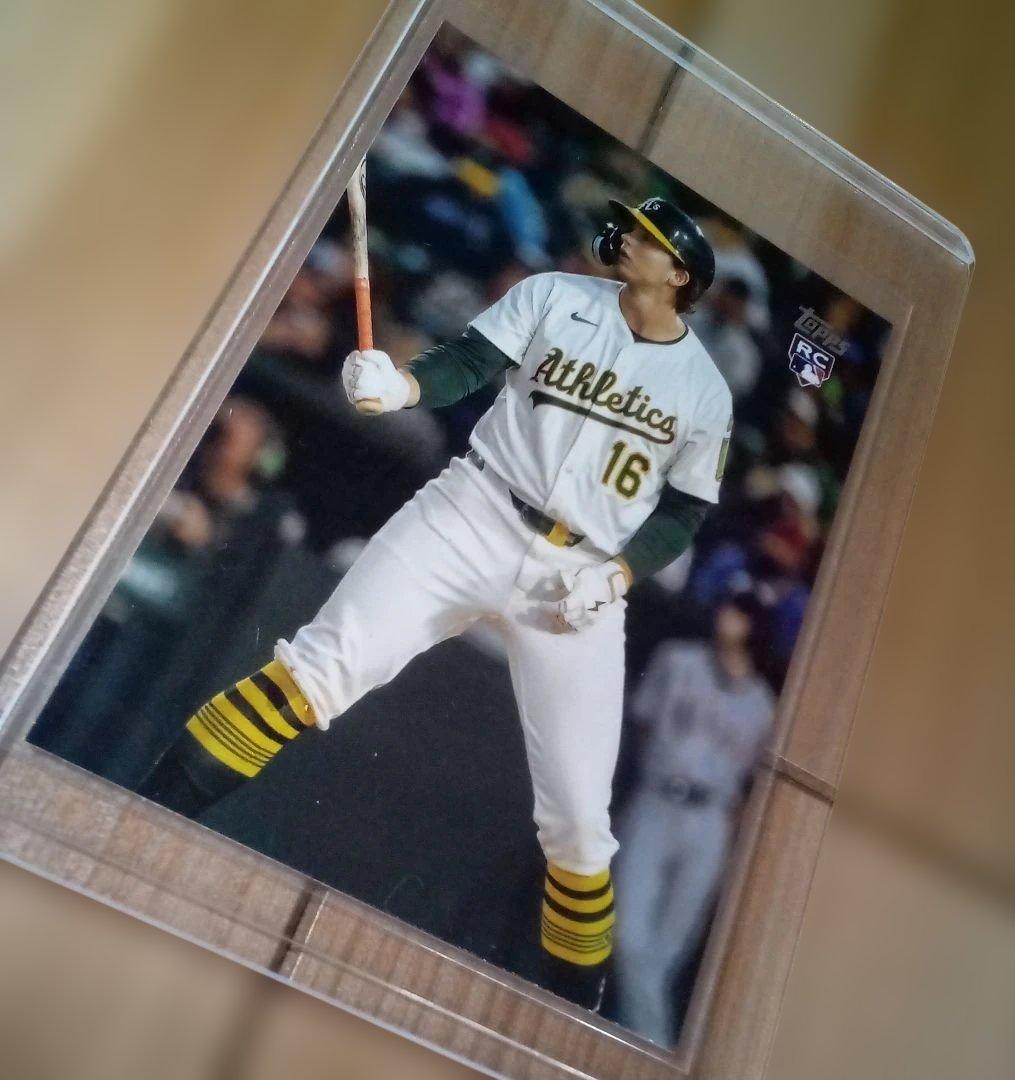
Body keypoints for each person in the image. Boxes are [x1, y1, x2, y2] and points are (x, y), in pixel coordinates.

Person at [139, 197, 730, 1010]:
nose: (629, 239)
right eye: (631, 228)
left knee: (579, 831)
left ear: (682, 274)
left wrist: (622, 574)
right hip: (475, 509)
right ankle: (140, 812)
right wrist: (405, 384)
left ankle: (571, 1022)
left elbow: (686, 512)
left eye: (649, 238)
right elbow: (468, 363)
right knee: (314, 673)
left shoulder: (705, 389)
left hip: (581, 573)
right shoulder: (556, 294)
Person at [614, 593, 775, 1045]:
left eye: (740, 611)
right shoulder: (677, 661)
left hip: (710, 820)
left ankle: (630, 1043)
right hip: (657, 801)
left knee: (669, 949)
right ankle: (655, 1050)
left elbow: (753, 786)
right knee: (628, 937)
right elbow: (641, 726)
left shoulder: (764, 706)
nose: (727, 615)